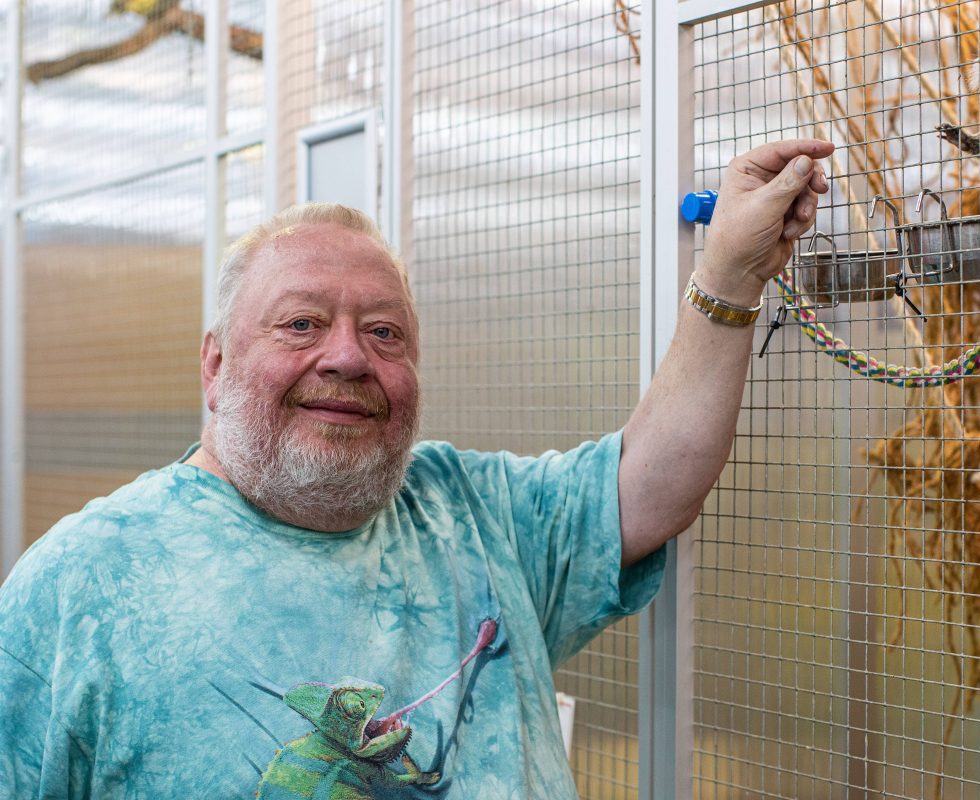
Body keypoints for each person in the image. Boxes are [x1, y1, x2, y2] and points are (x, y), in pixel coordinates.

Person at [0, 138, 833, 798]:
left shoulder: (469, 510)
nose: (347, 358)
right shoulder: (85, 585)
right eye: (301, 324)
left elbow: (651, 483)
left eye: (384, 332)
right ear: (215, 366)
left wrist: (728, 275)